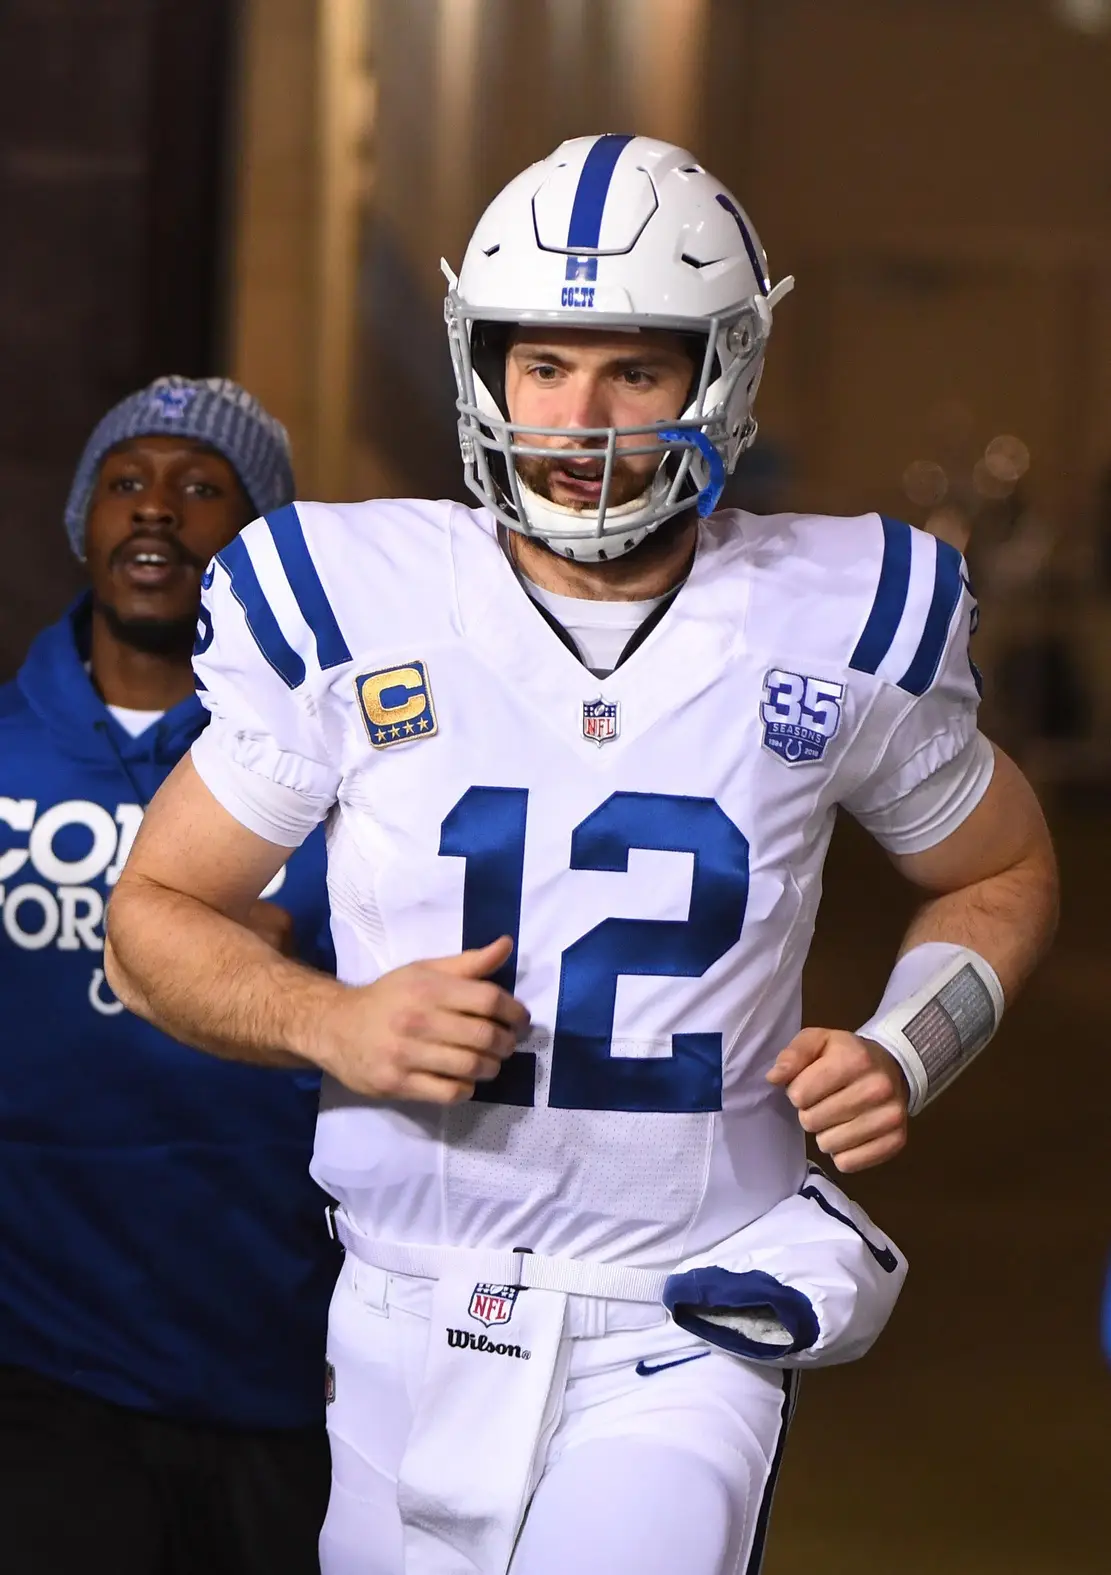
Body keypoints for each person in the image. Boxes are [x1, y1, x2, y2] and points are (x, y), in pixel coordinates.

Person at [105, 139, 1058, 1575]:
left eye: (635, 370)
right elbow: (154, 912)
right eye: (542, 364)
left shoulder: (827, 614)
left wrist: (907, 1043)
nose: (581, 417)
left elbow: (1000, 869)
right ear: (479, 362)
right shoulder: (356, 598)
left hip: (683, 1312)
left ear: (717, 372)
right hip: (401, 1302)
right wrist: (334, 1018)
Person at [0, 377, 338, 1575]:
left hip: (273, 1349)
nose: (158, 513)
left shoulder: (320, 781)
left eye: (203, 490)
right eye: (127, 483)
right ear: (85, 520)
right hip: (42, 1359)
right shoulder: (3, 748)